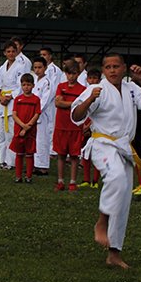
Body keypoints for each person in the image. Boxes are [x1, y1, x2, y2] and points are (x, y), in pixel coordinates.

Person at [71, 53, 141, 269]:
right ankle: (101, 222)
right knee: (116, 177)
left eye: (116, 66)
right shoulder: (95, 89)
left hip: (124, 147)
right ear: (103, 70)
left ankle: (114, 252)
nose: (112, 70)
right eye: (108, 67)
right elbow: (76, 115)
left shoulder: (130, 88)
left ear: (124, 68)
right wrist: (89, 100)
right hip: (102, 144)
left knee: (123, 200)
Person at [0, 40, 27, 169]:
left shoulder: (20, 66)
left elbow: (20, 85)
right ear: (4, 53)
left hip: (13, 103)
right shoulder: (2, 67)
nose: (11, 54)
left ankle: (11, 162)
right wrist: (0, 97)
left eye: (13, 51)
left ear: (16, 52)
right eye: (8, 51)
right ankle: (2, 161)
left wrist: (10, 96)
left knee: (11, 133)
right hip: (2, 103)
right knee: (1, 134)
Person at [53, 59, 86, 192]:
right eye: (69, 74)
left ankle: (72, 182)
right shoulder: (61, 86)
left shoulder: (83, 89)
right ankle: (60, 181)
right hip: (61, 125)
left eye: (74, 74)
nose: (71, 76)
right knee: (61, 154)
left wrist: (66, 102)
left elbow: (82, 106)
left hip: (75, 126)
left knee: (74, 156)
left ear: (78, 74)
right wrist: (74, 103)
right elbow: (58, 103)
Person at [10, 73, 42, 183]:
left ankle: (28, 176)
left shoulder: (36, 99)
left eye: (28, 84)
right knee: (19, 154)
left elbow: (37, 114)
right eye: (24, 85)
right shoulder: (18, 99)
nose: (26, 87)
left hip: (30, 131)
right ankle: (18, 176)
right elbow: (14, 114)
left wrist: (27, 127)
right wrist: (22, 126)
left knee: (29, 154)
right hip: (18, 130)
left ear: (33, 85)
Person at [30, 57, 55, 175]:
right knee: (34, 140)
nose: (37, 70)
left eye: (40, 67)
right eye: (35, 67)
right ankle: (35, 165)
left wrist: (36, 112)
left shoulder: (48, 82)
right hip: (32, 114)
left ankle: (43, 167)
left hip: (42, 115)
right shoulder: (34, 81)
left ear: (45, 68)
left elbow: (44, 101)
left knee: (42, 140)